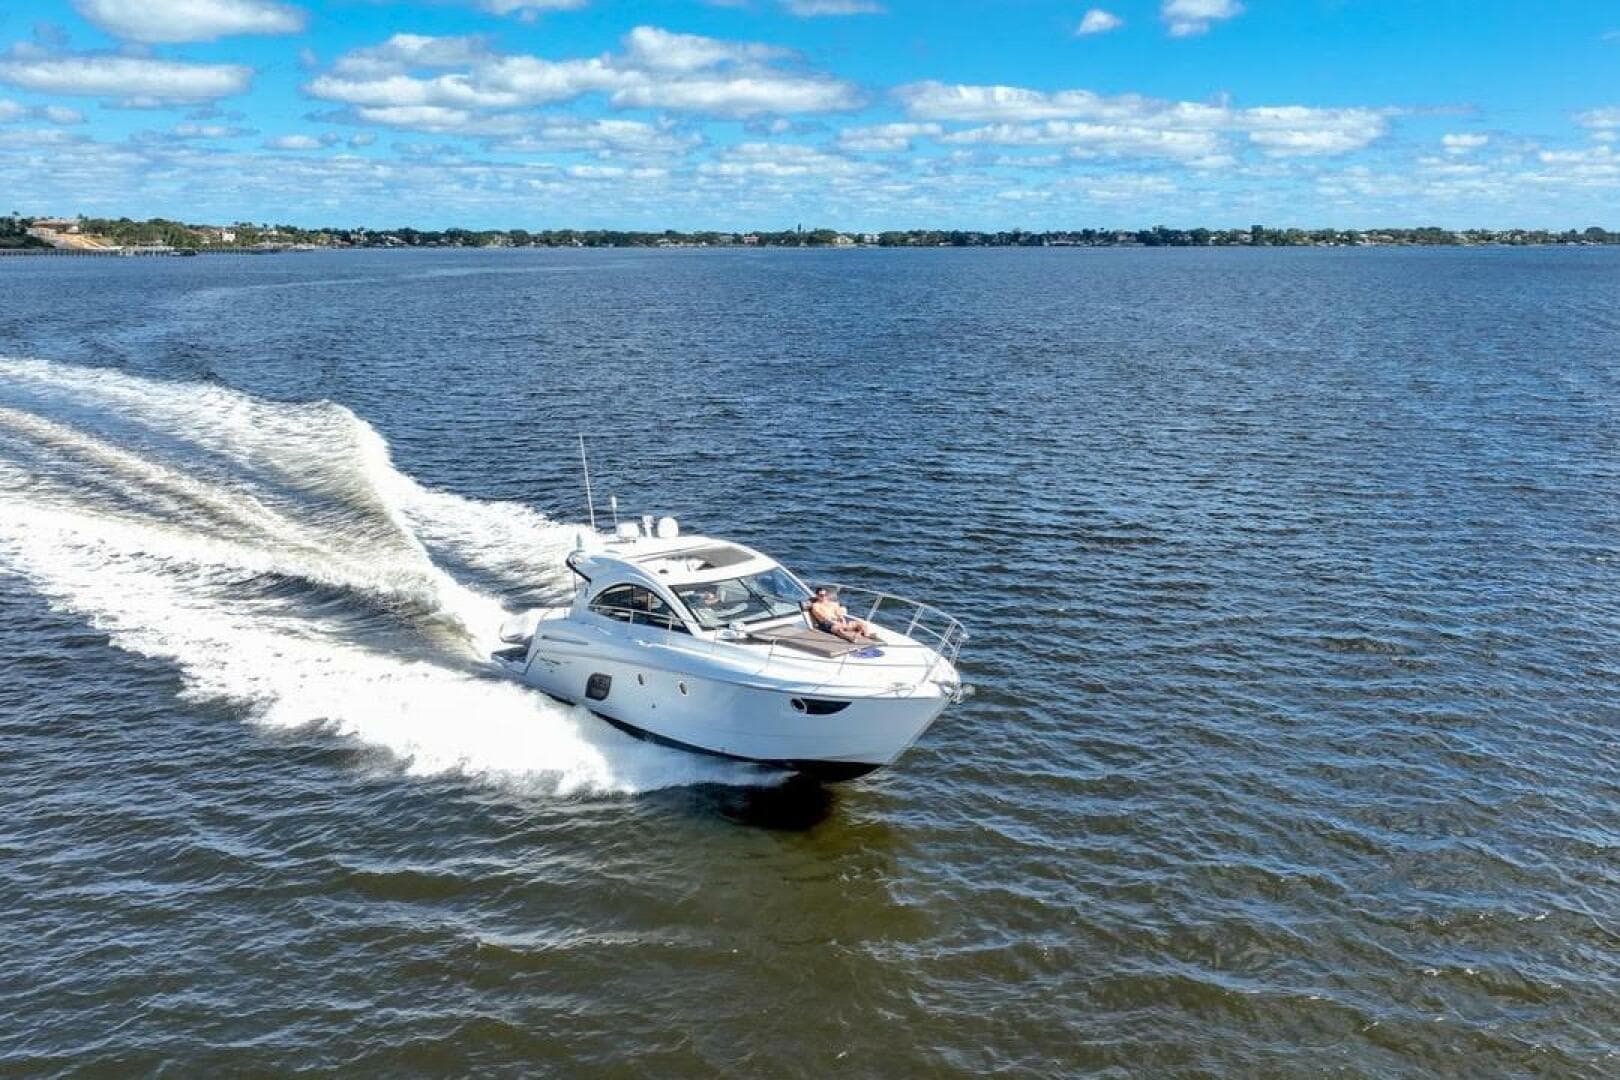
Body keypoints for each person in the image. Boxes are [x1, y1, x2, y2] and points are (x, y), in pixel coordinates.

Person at [808, 586, 873, 643]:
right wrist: (834, 622)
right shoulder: (816, 606)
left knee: (861, 623)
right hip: (826, 623)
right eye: (821, 595)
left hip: (837, 620)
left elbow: (839, 613)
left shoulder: (833, 603)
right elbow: (823, 617)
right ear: (817, 596)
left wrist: (842, 619)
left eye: (826, 595)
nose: (824, 597)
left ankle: (867, 635)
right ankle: (850, 638)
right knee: (837, 629)